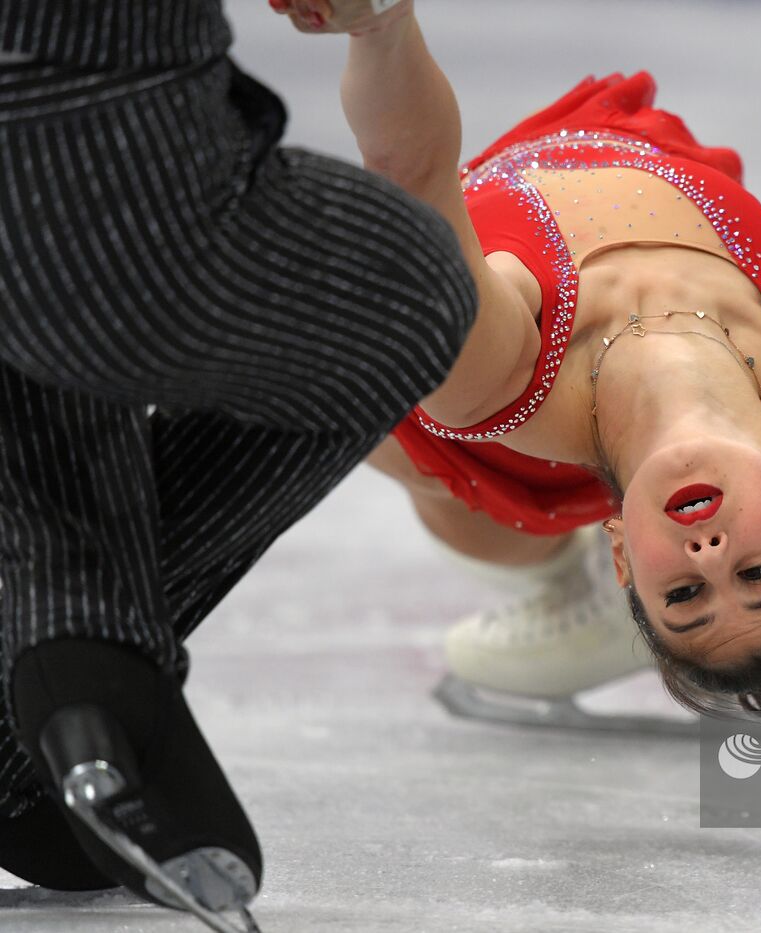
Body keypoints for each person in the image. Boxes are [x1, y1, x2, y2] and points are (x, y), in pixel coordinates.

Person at [279, 0, 761, 730]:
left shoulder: (499, 375)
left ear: (627, 558)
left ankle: (569, 580)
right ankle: (645, 569)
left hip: (439, 400)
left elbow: (412, 174)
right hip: (618, 160)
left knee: (368, 390)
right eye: (759, 573)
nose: (711, 555)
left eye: (683, 594)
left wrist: (379, 24)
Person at [0, 0, 492, 926]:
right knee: (405, 291)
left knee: (52, 325)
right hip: (74, 130)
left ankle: (72, 647)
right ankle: (76, 665)